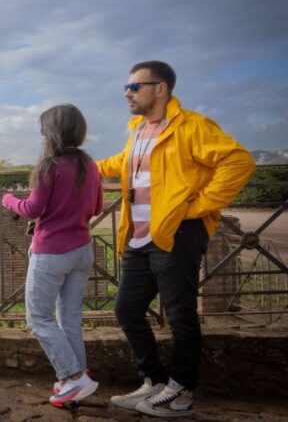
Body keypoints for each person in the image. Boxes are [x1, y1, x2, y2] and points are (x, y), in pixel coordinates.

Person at [98, 61, 254, 417]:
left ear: (160, 89)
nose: (127, 92)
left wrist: (198, 206)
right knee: (126, 309)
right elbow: (123, 163)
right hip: (139, 237)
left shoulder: (192, 126)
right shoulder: (139, 129)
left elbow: (238, 161)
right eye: (127, 86)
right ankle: (153, 382)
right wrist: (81, 166)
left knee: (181, 315)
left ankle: (181, 393)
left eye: (135, 86)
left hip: (178, 234)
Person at [1, 104, 104, 408]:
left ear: (51, 134)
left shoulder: (49, 167)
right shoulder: (90, 164)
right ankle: (77, 378)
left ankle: (73, 377)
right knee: (70, 317)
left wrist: (8, 200)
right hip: (81, 249)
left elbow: (32, 209)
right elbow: (97, 207)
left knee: (38, 318)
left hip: (51, 252)